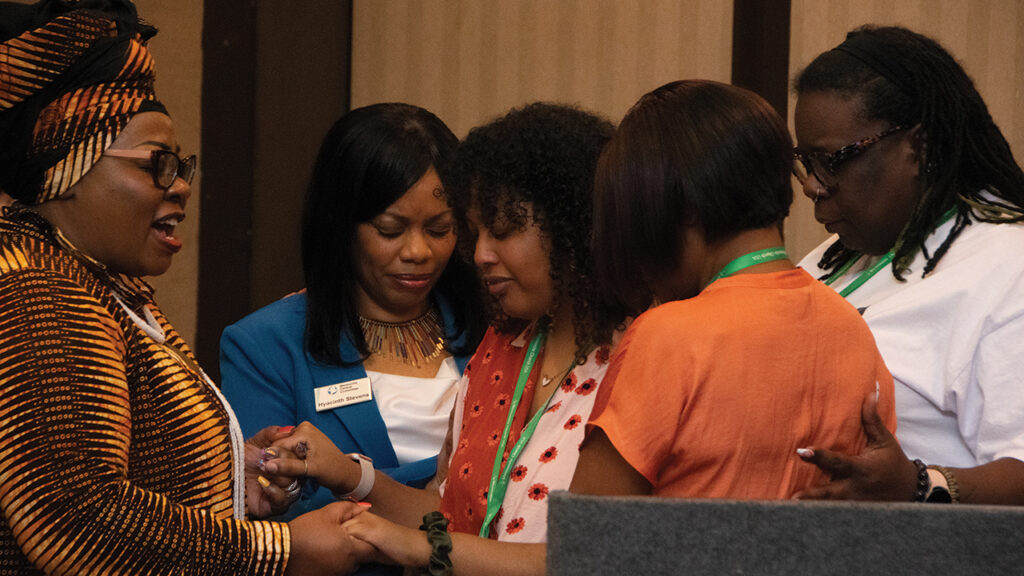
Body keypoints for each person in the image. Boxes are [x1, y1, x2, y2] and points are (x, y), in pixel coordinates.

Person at [0, 1, 369, 574]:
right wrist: (284, 551)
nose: (180, 189)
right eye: (156, 165)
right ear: (65, 167)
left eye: (182, 166)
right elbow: (75, 521)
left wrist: (230, 470)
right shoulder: (41, 290)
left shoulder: (96, 278)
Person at [257, 103, 627, 575]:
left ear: (573, 226)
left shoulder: (637, 356)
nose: (480, 255)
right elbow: (449, 516)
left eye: (502, 230)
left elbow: (589, 558)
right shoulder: (501, 347)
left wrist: (409, 545)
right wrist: (352, 475)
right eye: (474, 233)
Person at [570, 79, 895, 500]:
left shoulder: (668, 335)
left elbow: (586, 535)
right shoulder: (853, 329)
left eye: (633, 216)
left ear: (682, 208)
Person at [220, 103, 487, 529]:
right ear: (341, 225)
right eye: (390, 230)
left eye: (440, 229)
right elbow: (262, 521)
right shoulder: (265, 344)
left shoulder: (495, 328)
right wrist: (441, 486)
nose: (418, 251)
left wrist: (347, 477)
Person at [791, 25, 1024, 505]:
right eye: (806, 163)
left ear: (918, 147)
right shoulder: (826, 261)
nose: (814, 186)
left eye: (833, 160)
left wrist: (920, 485)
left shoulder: (1007, 268)